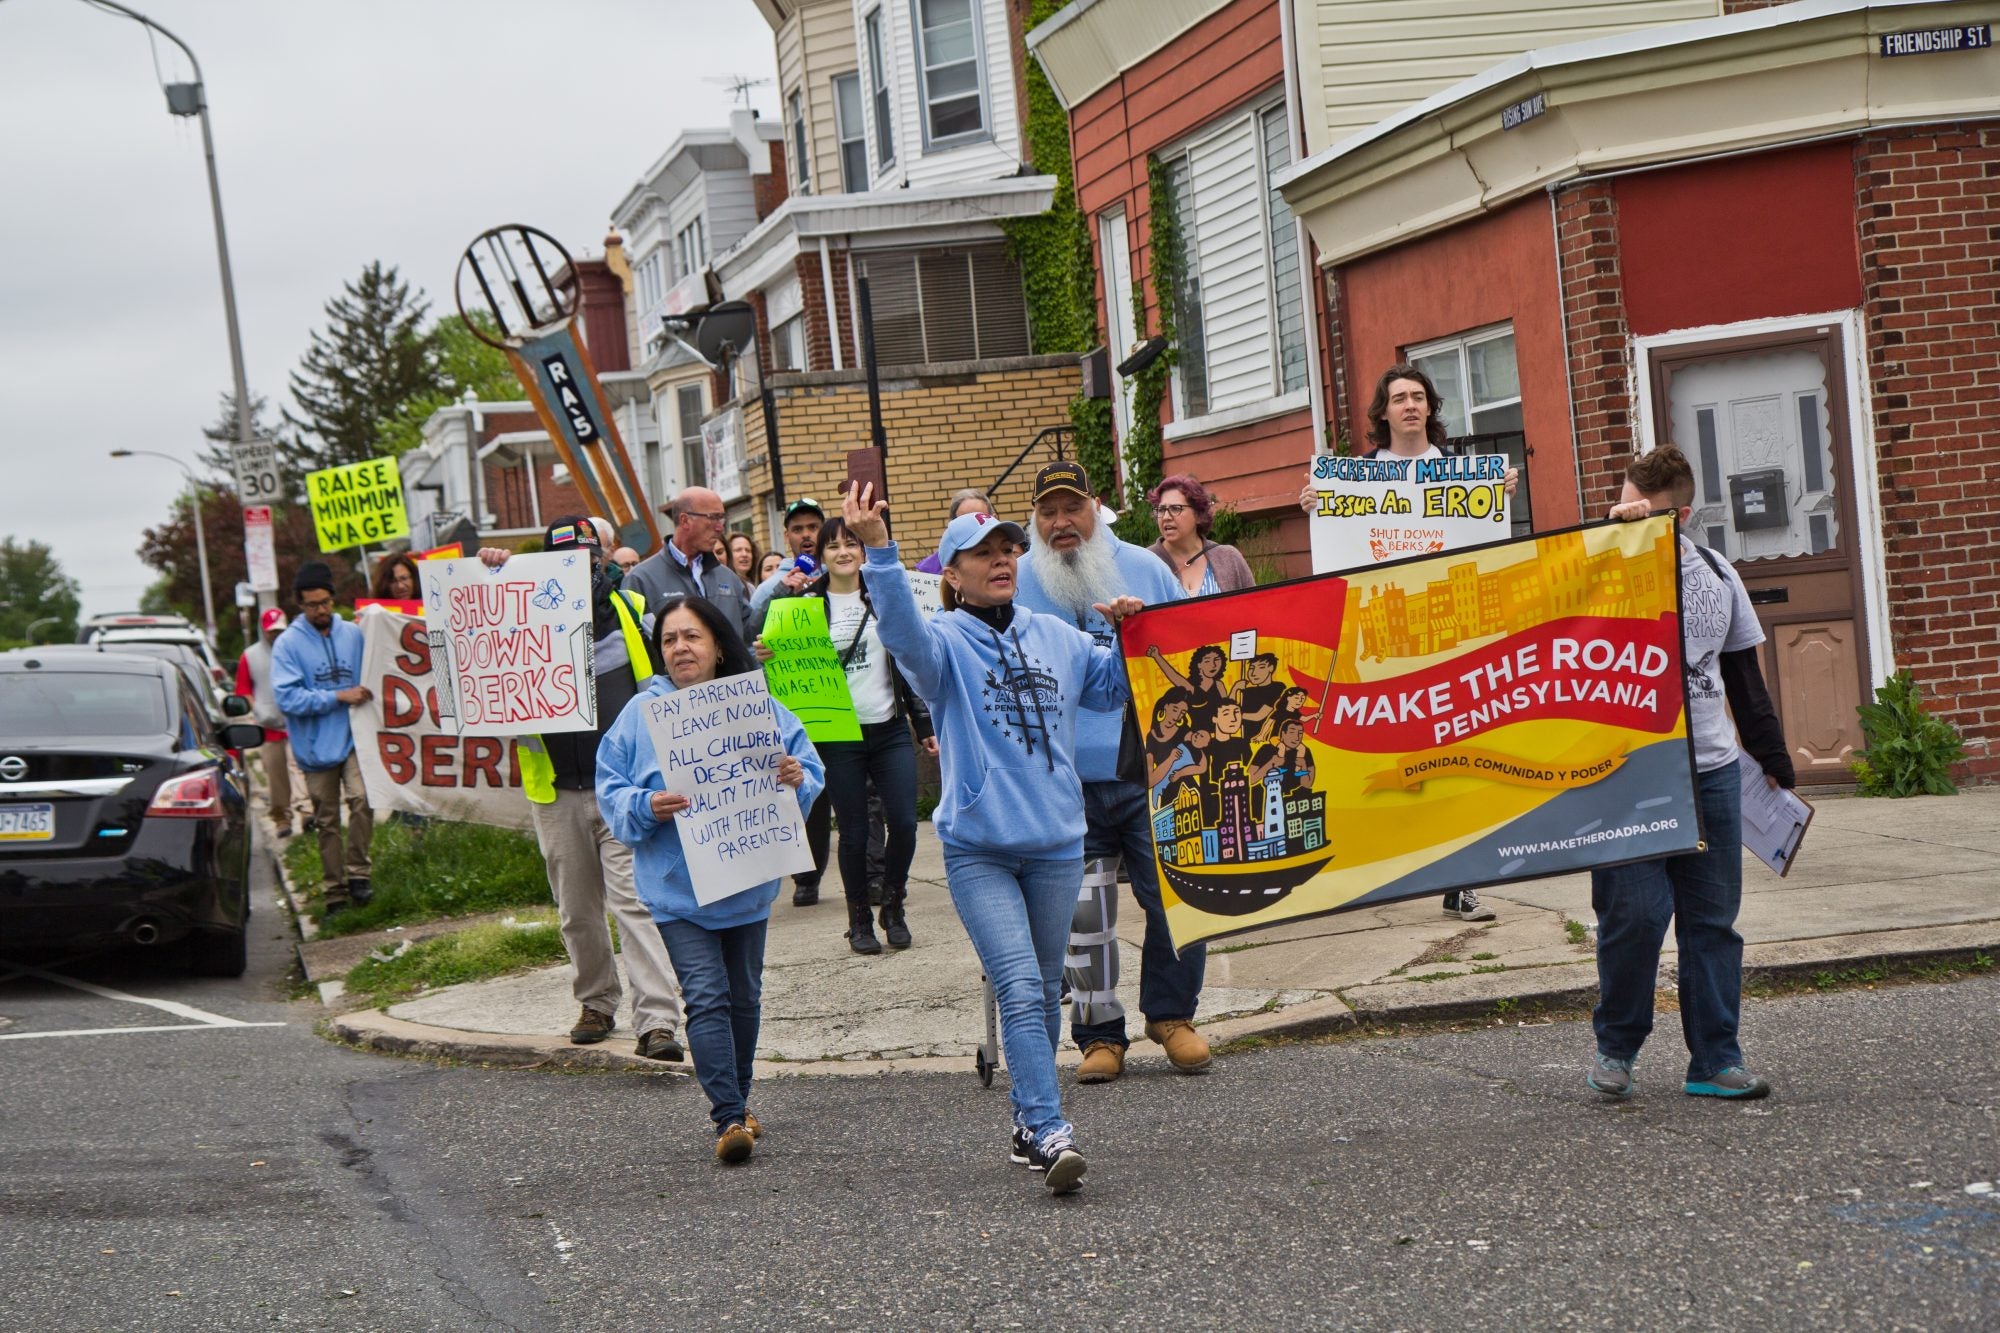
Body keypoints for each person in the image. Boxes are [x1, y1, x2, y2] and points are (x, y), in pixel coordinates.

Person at [847, 481, 1141, 1194]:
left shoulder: (1054, 634)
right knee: (1015, 980)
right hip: (979, 845)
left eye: (1008, 547)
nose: (1002, 558)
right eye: (982, 552)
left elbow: (1109, 690)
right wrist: (879, 552)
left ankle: (1023, 1121)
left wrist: (1129, 632)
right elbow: (902, 636)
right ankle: (1048, 1126)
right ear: (952, 574)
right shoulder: (943, 644)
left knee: (1043, 987)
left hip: (1056, 841)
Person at [1587, 444, 1794, 1104]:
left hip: (1711, 772)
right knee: (1636, 917)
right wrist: (1607, 539)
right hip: (1626, 776)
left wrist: (1774, 759)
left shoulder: (1716, 573)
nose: (1636, 518)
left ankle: (1716, 1058)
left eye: (1648, 511)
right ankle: (1617, 1046)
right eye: (1627, 505)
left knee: (1712, 922)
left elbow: (1744, 680)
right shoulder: (1598, 571)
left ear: (1681, 512)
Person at [596, 595, 824, 1164]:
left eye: (691, 636)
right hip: (678, 891)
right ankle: (726, 1116)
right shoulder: (639, 717)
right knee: (706, 998)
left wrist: (797, 777)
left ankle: (739, 1101)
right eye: (669, 640)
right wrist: (647, 804)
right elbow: (611, 790)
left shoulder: (757, 705)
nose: (679, 648)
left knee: (744, 998)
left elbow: (808, 768)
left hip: (746, 882)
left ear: (718, 645)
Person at [1013, 460, 1211, 1086]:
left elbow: (1193, 653)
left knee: (1178, 894)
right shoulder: (1017, 580)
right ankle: (1099, 1035)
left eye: (1072, 508)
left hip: (1154, 768)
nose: (1061, 522)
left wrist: (1140, 633)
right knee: (1083, 912)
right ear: (1035, 520)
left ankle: (1172, 1015)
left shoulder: (1148, 569)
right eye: (1048, 512)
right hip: (1062, 778)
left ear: (1096, 509)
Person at [1294, 364, 1515, 923]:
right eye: (1399, 398)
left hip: (1452, 635)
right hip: (1383, 636)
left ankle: (1462, 880)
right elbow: (1341, 548)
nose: (1411, 406)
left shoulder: (1462, 474)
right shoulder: (1359, 476)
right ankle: (1384, 866)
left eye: (1419, 397)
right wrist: (1318, 506)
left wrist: (1498, 496)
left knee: (1453, 757)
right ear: (1384, 412)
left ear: (1430, 408)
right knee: (1390, 755)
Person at [477, 518, 688, 1062]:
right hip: (556, 791)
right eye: (562, 557)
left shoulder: (630, 610)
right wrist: (491, 576)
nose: (578, 566)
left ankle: (658, 1021)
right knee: (577, 912)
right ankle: (596, 1002)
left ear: (601, 559)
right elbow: (474, 649)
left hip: (622, 791)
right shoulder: (515, 613)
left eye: (586, 556)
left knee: (635, 906)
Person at [779, 516, 935, 954]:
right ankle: (860, 919)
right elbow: (785, 664)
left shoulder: (884, 597)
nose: (844, 552)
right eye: (833, 546)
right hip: (838, 736)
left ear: (863, 551)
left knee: (904, 822)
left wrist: (923, 725)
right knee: (851, 832)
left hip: (888, 729)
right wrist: (768, 650)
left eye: (852, 544)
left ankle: (894, 903)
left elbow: (907, 662)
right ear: (821, 556)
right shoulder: (804, 605)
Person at [270, 562, 373, 917]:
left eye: (326, 602)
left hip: (355, 740)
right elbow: (287, 699)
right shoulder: (288, 645)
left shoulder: (352, 633)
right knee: (326, 821)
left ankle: (359, 873)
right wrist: (337, 697)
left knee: (362, 799)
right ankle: (335, 893)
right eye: (313, 605)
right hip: (315, 748)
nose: (322, 610)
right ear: (300, 605)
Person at [621, 487, 754, 639]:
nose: (720, 527)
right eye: (713, 518)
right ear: (685, 520)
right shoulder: (640, 579)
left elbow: (751, 634)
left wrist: (780, 590)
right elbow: (634, 643)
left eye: (722, 518)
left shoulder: (728, 577)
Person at [235, 607, 297, 837]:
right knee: (276, 774)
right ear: (263, 631)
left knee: (303, 770)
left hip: (297, 723)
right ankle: (281, 817)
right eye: (271, 631)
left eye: (280, 631)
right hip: (269, 727)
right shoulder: (250, 656)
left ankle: (308, 810)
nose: (276, 635)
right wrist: (258, 710)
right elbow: (243, 689)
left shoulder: (295, 650)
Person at [1147, 475, 1255, 596]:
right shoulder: (1146, 562)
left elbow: (1255, 607)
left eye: (1176, 508)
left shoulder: (1229, 558)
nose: (1166, 517)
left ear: (1198, 515)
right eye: (1161, 510)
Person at [748, 497, 826, 632]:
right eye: (797, 529)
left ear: (824, 531)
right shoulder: (768, 589)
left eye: (813, 527)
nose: (806, 534)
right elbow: (749, 638)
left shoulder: (842, 577)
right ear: (786, 536)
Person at [914, 489, 993, 575]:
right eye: (965, 522)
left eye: (980, 519)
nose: (973, 529)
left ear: (994, 519)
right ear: (952, 525)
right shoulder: (929, 570)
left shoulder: (1006, 561)